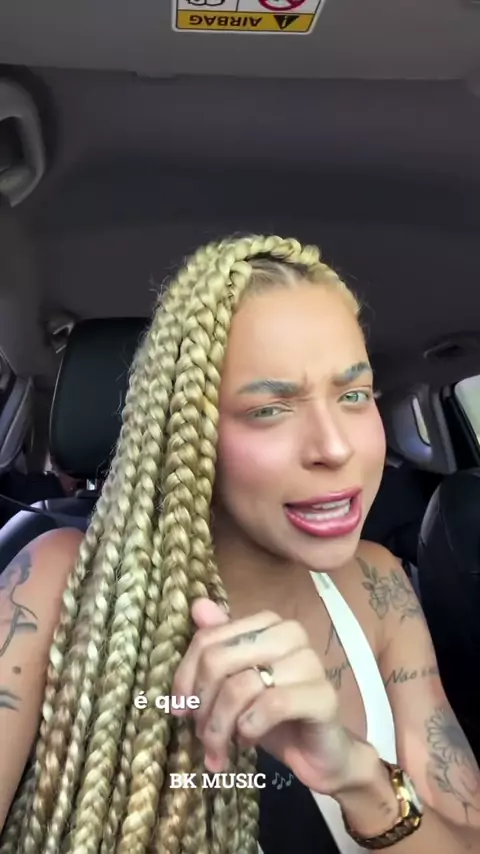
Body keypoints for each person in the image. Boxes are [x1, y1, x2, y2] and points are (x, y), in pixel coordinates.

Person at [0, 234, 479, 854]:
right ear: (188, 433)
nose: (335, 448)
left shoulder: (379, 585)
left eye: (354, 396)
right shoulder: (55, 582)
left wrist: (359, 780)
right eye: (270, 409)